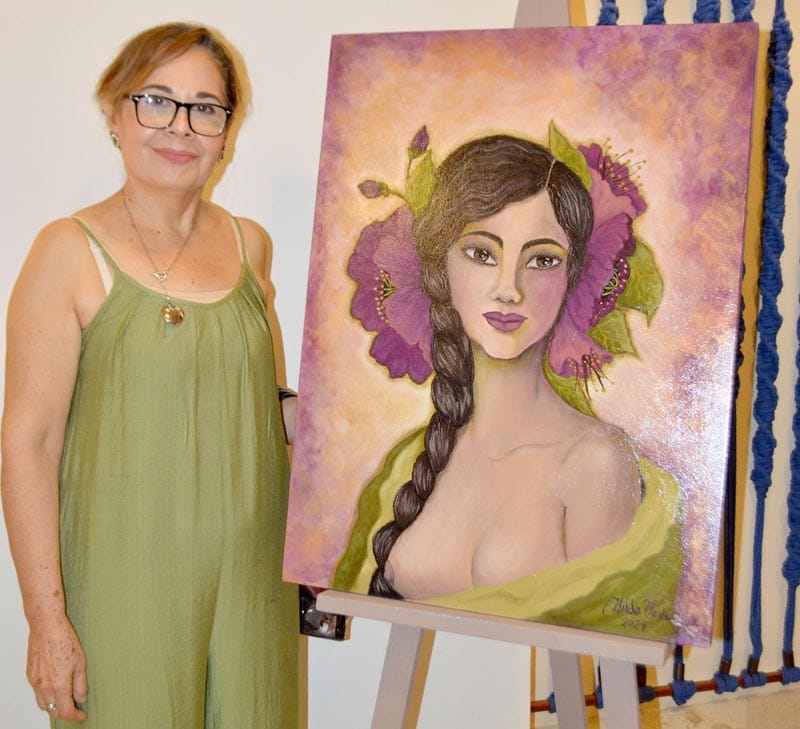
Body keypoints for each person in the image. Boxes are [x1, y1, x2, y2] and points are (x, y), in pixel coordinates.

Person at [1, 23, 298, 727]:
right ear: (115, 113)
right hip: (121, 581)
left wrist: (361, 411)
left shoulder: (251, 246)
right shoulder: (67, 250)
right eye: (156, 100)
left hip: (255, 581)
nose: (180, 127)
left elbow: (266, 408)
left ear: (226, 131)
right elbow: (28, 443)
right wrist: (46, 620)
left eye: (205, 107)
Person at [335, 135, 684, 639]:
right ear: (440, 266)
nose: (509, 288)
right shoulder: (410, 461)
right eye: (481, 252)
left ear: (573, 276)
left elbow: (613, 630)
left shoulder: (596, 462)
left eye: (542, 260)